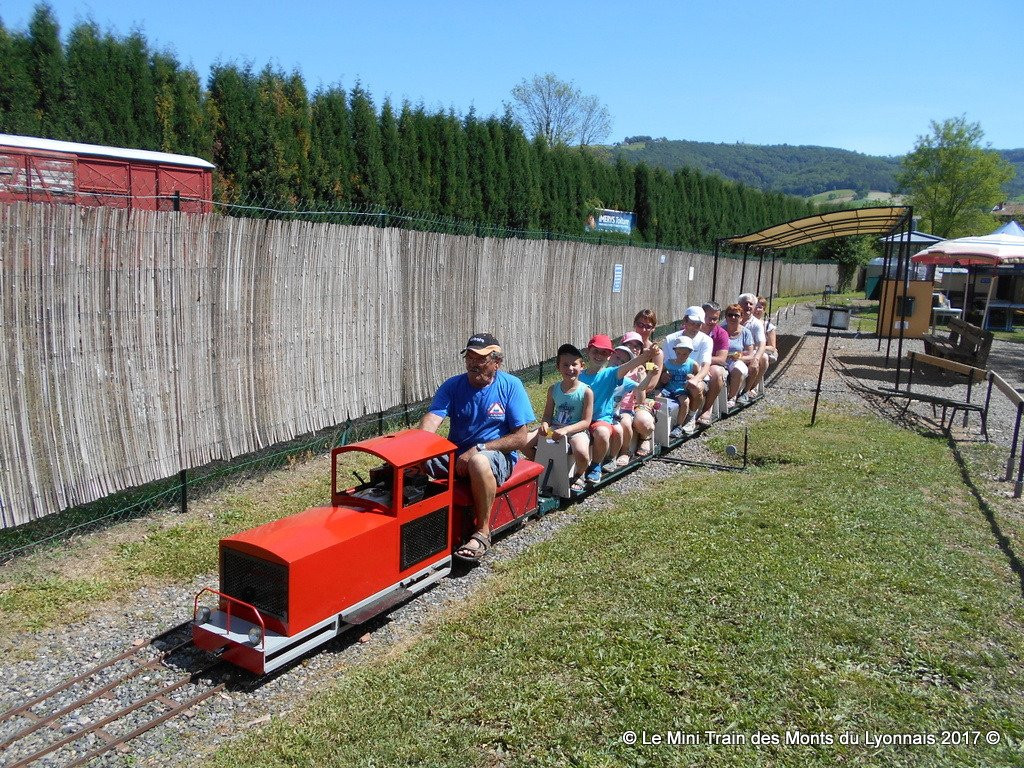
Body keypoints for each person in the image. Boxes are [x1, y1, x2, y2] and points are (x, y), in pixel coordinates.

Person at [418, 333, 535, 562]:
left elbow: (520, 438)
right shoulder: (453, 385)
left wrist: (478, 449)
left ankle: (482, 533)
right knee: (412, 460)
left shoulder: (511, 386)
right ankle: (416, 523)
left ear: (496, 362)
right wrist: (417, 445)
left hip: (496, 456)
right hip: (458, 455)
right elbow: (433, 418)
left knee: (478, 461)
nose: (473, 363)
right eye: (469, 357)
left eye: (480, 358)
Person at [579, 333, 659, 484]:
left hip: (601, 418)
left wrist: (647, 355)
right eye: (595, 351)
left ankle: (597, 465)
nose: (598, 355)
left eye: (604, 352)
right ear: (588, 351)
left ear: (609, 355)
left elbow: (634, 374)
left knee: (606, 431)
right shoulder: (579, 375)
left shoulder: (611, 374)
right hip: (580, 418)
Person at [524, 343, 594, 493]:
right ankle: (541, 464)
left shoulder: (586, 392)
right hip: (555, 428)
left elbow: (586, 422)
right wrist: (544, 424)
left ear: (582, 366)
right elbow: (548, 415)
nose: (570, 369)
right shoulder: (553, 389)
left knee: (581, 451)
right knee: (523, 442)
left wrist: (566, 430)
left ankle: (579, 474)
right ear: (558, 367)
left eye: (574, 364)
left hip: (576, 430)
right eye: (565, 365)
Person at [663, 306, 712, 434]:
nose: (695, 327)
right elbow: (665, 364)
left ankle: (691, 415)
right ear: (685, 321)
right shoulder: (670, 339)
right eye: (692, 323)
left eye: (698, 324)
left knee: (696, 387)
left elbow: (706, 365)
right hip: (673, 380)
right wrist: (664, 376)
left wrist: (696, 378)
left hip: (695, 377)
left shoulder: (706, 340)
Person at [628, 310, 664, 458]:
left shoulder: (656, 354)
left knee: (643, 419)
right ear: (634, 325)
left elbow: (652, 384)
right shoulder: (626, 346)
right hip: (624, 393)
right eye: (640, 325)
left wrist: (635, 391)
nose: (643, 330)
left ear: (653, 328)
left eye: (647, 326)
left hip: (643, 395)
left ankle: (645, 437)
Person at [697, 301, 729, 426]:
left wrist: (703, 360)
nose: (710, 321)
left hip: (711, 365)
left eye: (714, 319)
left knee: (717, 372)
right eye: (707, 318)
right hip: (690, 363)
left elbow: (721, 359)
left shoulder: (721, 334)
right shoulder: (689, 328)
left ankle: (707, 409)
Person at [722, 304, 756, 409]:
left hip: (736, 361)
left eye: (736, 315)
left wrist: (739, 357)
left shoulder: (746, 332)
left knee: (737, 368)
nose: (733, 318)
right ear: (726, 317)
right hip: (721, 360)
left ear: (741, 318)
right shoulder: (720, 331)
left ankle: (732, 397)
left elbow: (750, 356)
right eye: (730, 315)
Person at [738, 292, 767, 401]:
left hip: (751, 353)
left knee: (763, 358)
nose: (748, 306)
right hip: (735, 353)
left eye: (751, 304)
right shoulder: (732, 318)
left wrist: (756, 358)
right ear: (739, 304)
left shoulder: (756, 323)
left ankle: (749, 388)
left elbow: (762, 343)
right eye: (745, 303)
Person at [753, 296, 778, 362]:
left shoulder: (768, 326)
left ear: (764, 310)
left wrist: (756, 348)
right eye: (755, 306)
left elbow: (772, 348)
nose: (757, 309)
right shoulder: (744, 323)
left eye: (760, 307)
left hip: (761, 355)